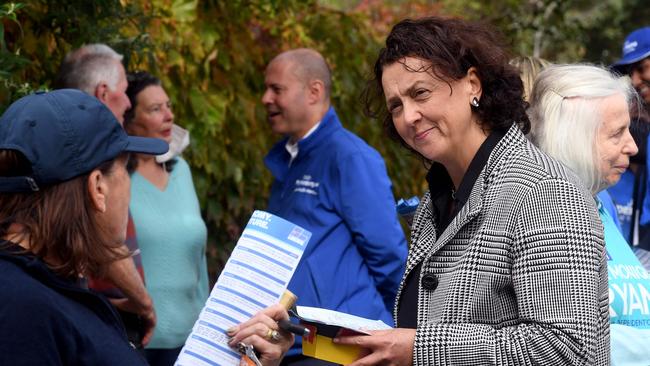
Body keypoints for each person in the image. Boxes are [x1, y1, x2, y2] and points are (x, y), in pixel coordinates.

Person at [338, 17, 608, 365]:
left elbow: (565, 348)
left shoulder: (544, 191)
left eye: (420, 93)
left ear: (473, 84)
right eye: (396, 106)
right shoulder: (435, 202)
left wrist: (421, 348)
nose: (409, 116)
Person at [261, 48, 408, 364]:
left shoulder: (350, 157)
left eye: (277, 89)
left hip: (338, 346)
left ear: (314, 91)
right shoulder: (289, 159)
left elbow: (387, 254)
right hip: (293, 340)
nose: (265, 98)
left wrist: (394, 328)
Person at [0, 89, 168, 365]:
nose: (129, 184)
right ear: (97, 187)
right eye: (126, 169)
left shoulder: (42, 287)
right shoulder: (23, 313)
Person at [528, 63, 650, 365]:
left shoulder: (596, 204)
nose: (633, 146)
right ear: (575, 137)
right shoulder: (547, 213)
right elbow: (562, 344)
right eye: (617, 133)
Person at [54, 43, 156, 348]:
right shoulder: (91, 152)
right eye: (124, 90)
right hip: (98, 314)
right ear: (102, 92)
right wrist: (144, 303)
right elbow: (101, 239)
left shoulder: (52, 143)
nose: (128, 101)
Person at [123, 71, 209, 366]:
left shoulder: (181, 170)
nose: (169, 116)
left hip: (191, 341)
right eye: (155, 109)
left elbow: (199, 258)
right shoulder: (116, 179)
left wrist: (208, 326)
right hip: (138, 341)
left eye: (168, 106)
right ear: (129, 118)